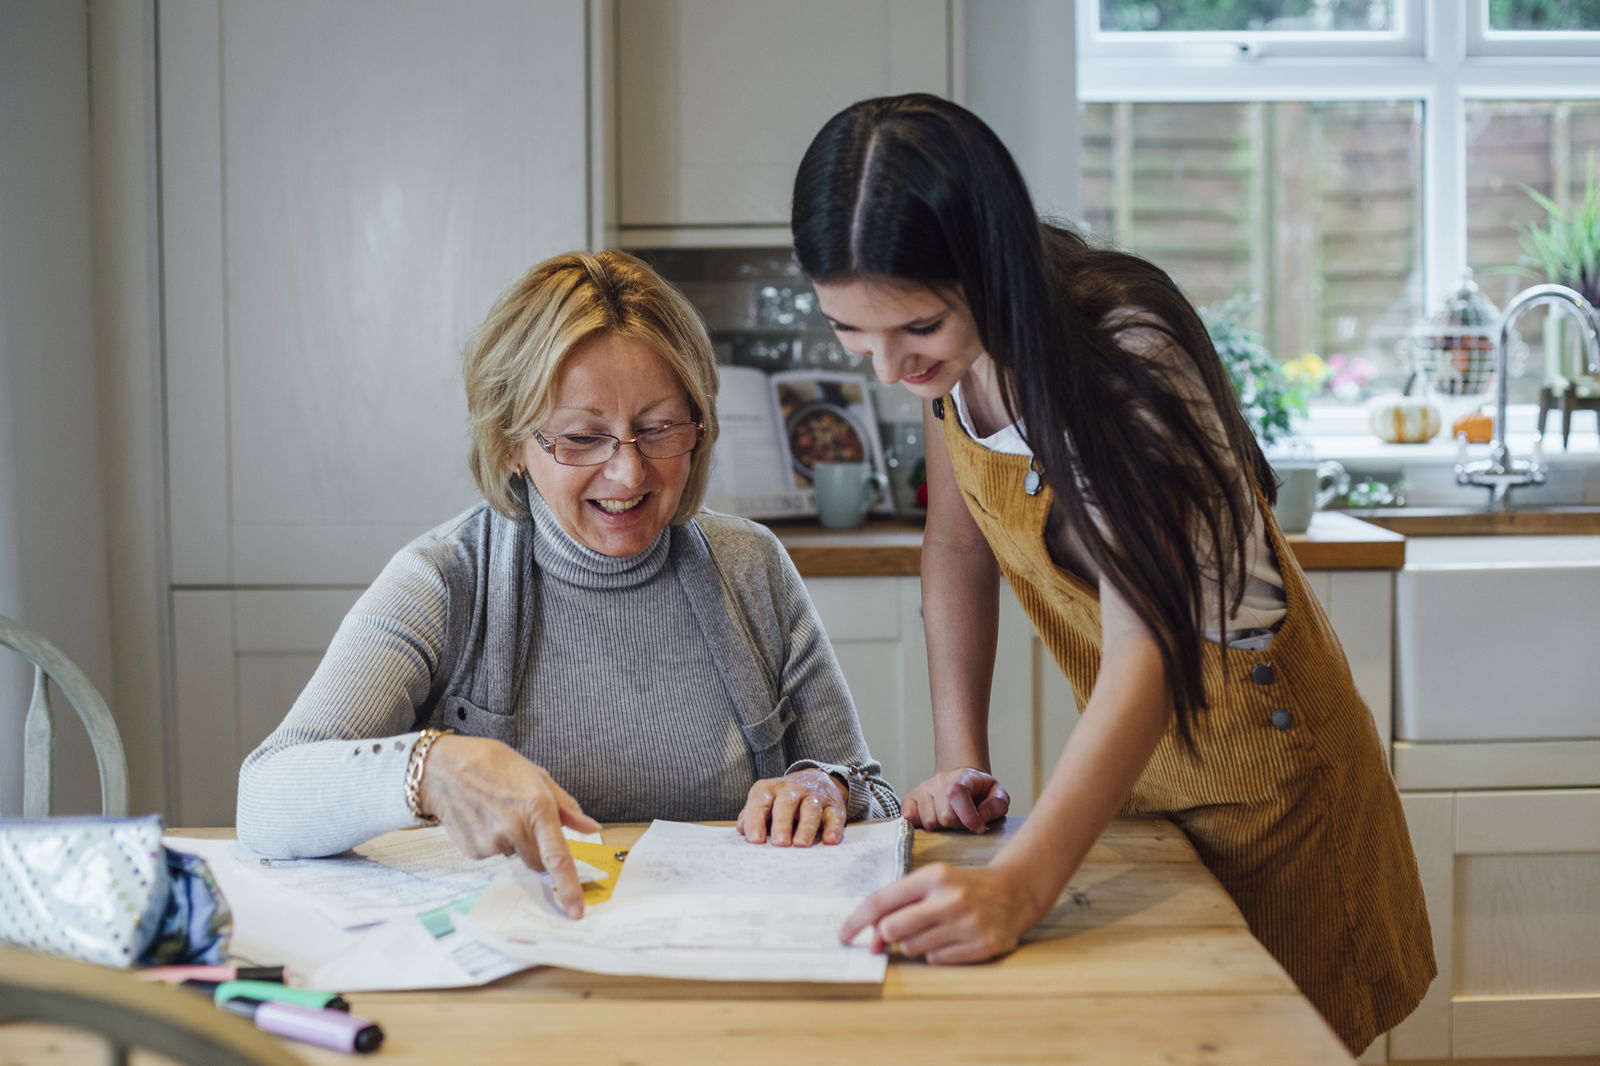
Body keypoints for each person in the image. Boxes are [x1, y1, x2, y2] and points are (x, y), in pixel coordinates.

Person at [791, 94, 1432, 1055]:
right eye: (849, 332)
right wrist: (960, 757)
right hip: (1154, 773)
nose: (885, 368)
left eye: (915, 325)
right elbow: (956, 546)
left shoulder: (1128, 355)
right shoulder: (952, 362)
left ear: (989, 268)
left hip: (1273, 778)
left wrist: (1018, 885)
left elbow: (1148, 648)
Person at [238, 250, 898, 919]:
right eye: (583, 438)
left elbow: (870, 792)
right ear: (509, 443)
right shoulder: (445, 579)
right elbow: (265, 799)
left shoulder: (750, 567)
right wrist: (428, 767)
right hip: (517, 972)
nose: (629, 474)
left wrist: (822, 786)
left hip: (718, 960)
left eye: (658, 429)